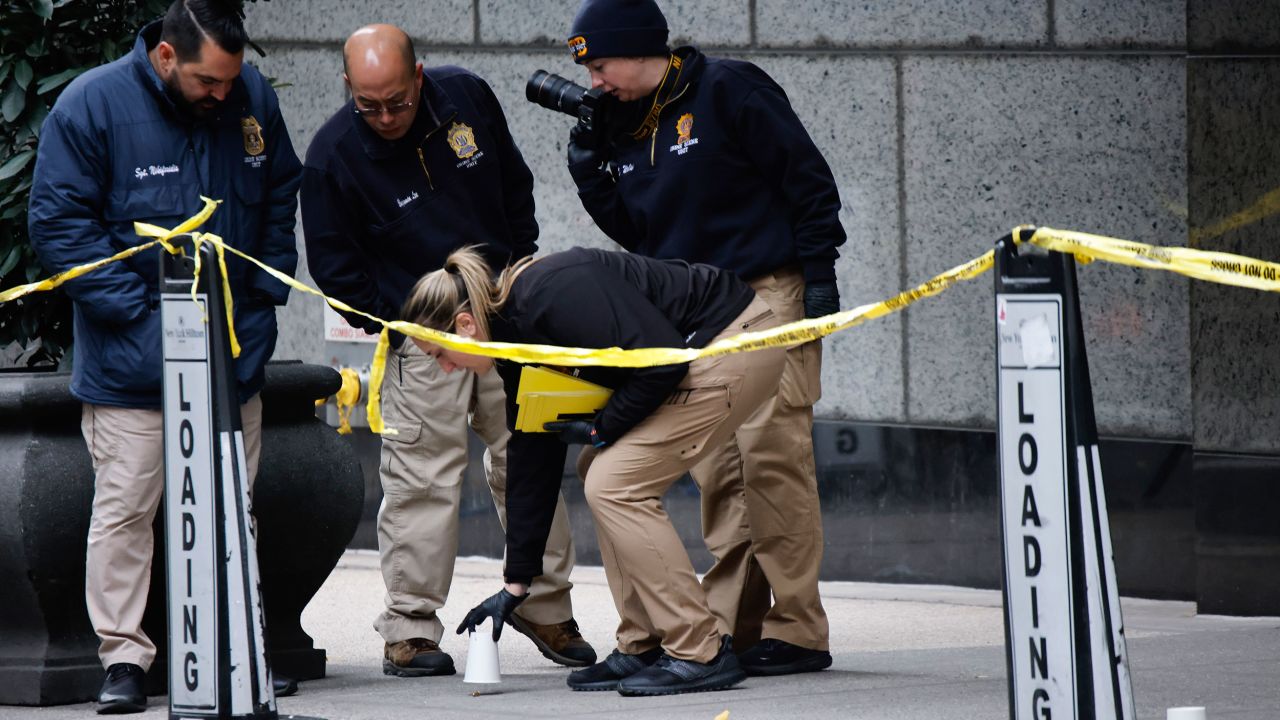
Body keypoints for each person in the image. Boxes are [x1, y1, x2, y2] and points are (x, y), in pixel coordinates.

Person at [27, 0, 302, 714]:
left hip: (232, 354)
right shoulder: (93, 103)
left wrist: (264, 294)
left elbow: (278, 193)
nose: (223, 95)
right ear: (166, 58)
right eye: (209, 82)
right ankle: (124, 659)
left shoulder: (249, 96)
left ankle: (233, 647)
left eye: (231, 81)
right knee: (126, 512)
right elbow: (59, 226)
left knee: (233, 509)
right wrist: (149, 322)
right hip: (132, 364)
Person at [558, 0, 843, 676]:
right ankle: (733, 632)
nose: (595, 81)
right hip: (702, 306)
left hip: (769, 289)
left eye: (600, 65)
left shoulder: (728, 88)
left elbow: (807, 180)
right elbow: (641, 237)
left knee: (772, 461)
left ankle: (798, 629)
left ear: (636, 49)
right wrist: (589, 170)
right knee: (719, 473)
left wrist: (820, 272)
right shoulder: (627, 123)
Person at [299, 24, 595, 677]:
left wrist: (515, 280)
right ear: (348, 88)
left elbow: (516, 187)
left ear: (420, 77)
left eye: (397, 102)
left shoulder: (467, 97)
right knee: (420, 480)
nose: (383, 117)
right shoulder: (331, 158)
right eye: (367, 104)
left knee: (530, 456)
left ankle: (544, 605)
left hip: (505, 315)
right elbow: (339, 276)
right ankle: (409, 628)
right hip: (422, 336)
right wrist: (424, 317)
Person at [405, 246, 787, 696]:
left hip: (734, 338)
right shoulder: (512, 337)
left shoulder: (551, 294)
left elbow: (662, 358)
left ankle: (698, 649)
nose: (446, 369)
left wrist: (602, 428)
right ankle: (642, 644)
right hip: (701, 346)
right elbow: (532, 448)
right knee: (599, 472)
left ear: (464, 326)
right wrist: (516, 583)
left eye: (439, 355)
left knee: (615, 482)